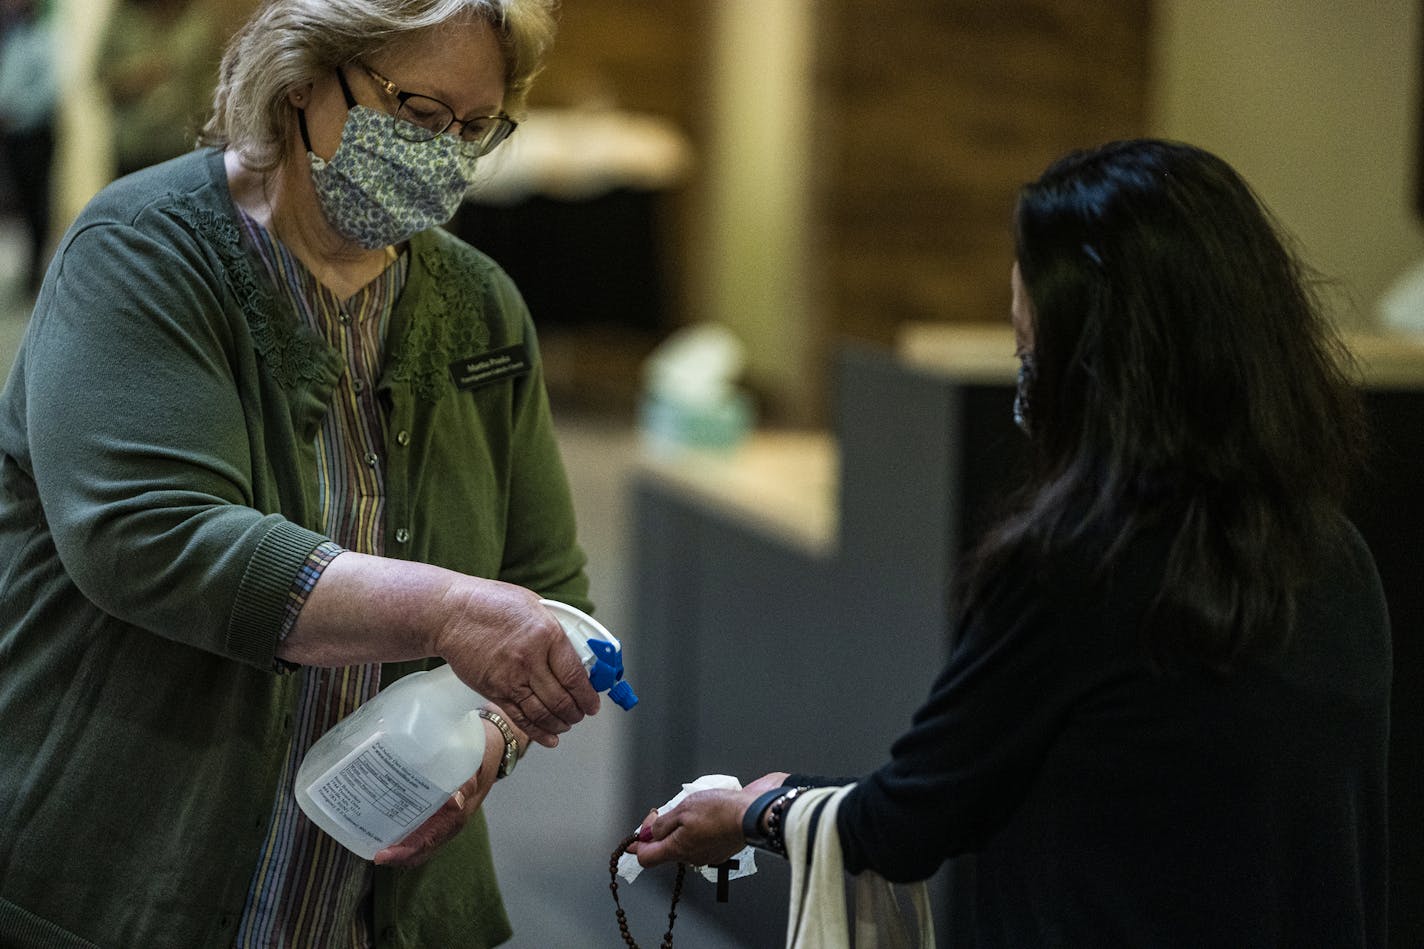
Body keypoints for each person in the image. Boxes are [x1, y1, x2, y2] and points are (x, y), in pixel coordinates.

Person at [630, 139, 1391, 947]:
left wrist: (756, 810)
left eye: (1032, 353)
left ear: (1099, 365)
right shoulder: (1338, 556)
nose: (1027, 381)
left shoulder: (1076, 569)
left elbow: (911, 818)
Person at [0, 1, 597, 947]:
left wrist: (493, 738)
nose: (445, 153)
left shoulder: (482, 307)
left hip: (369, 895)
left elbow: (548, 587)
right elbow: (150, 535)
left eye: (475, 128)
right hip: (132, 871)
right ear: (304, 77)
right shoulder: (143, 253)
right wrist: (446, 609)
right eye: (418, 112)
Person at [95, 0, 226, 178]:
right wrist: (137, 78)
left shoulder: (198, 21)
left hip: (183, 150)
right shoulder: (123, 19)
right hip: (134, 151)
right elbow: (102, 82)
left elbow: (217, 86)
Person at [0, 0, 56, 295]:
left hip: (34, 133)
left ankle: (37, 269)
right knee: (22, 202)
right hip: (13, 135)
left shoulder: (43, 39)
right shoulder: (14, 38)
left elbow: (49, 90)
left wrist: (17, 111)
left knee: (38, 204)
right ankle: (30, 267)